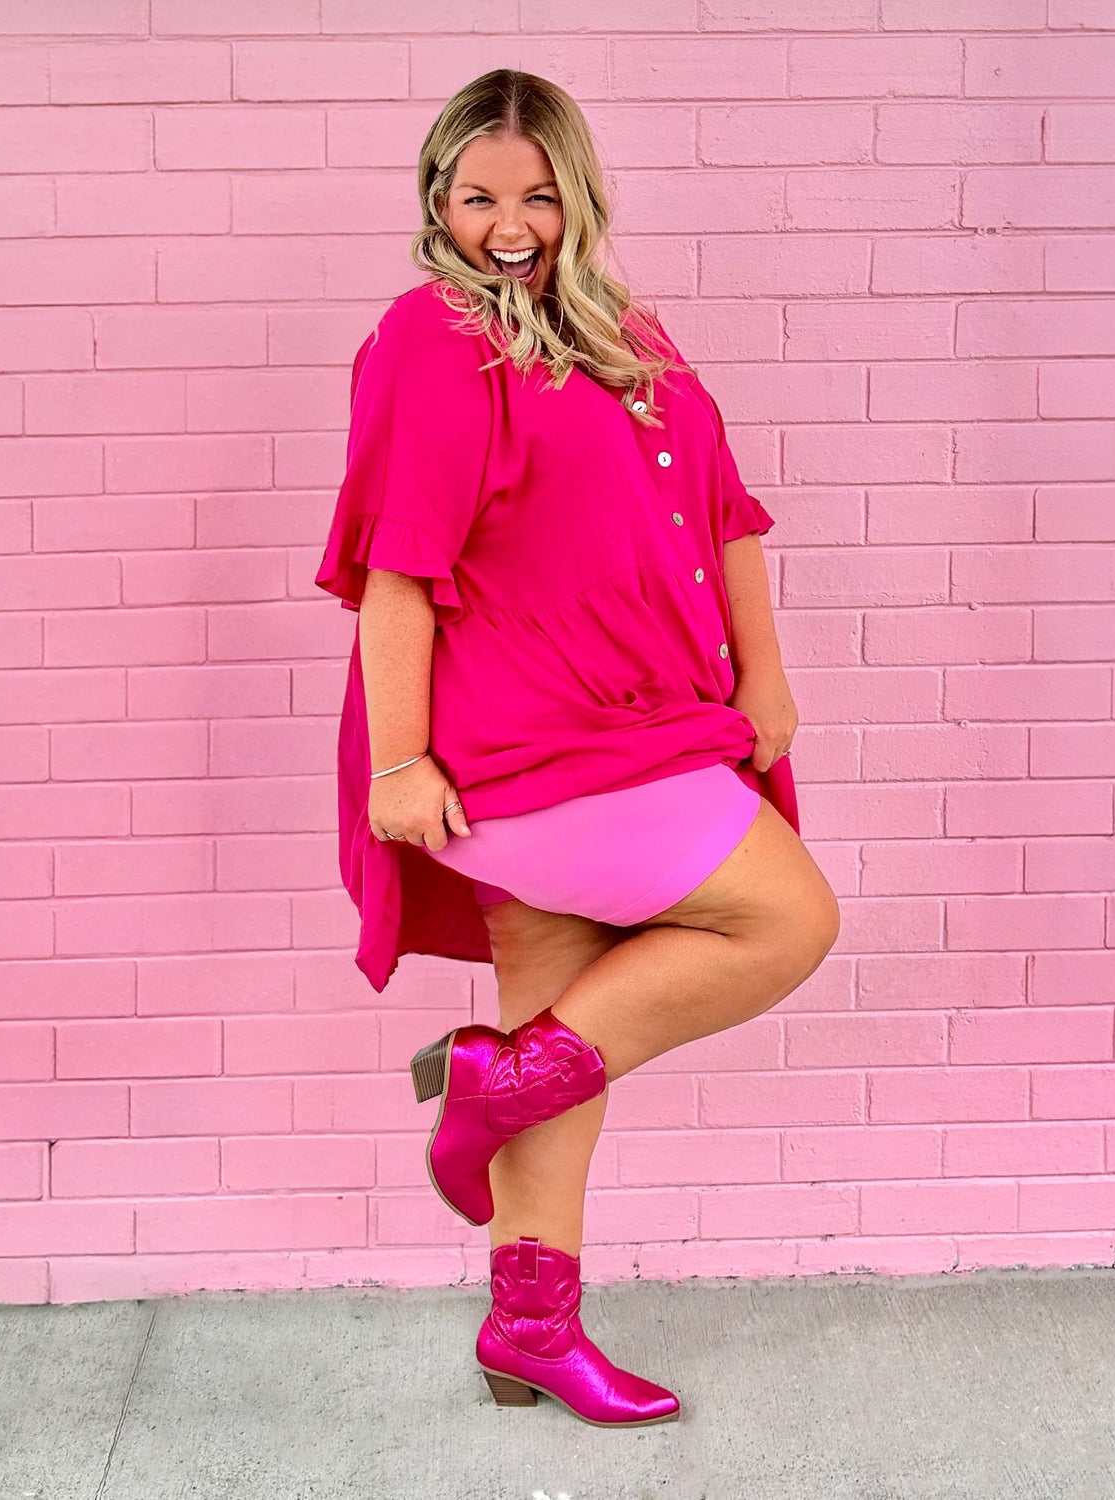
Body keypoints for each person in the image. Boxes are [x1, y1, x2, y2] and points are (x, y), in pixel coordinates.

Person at [315, 69, 840, 1428]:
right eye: (478, 197)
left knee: (566, 1017)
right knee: (788, 919)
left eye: (538, 197)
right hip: (527, 745)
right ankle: (490, 1082)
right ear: (437, 200)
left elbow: (726, 513)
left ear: (580, 198)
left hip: (642, 723)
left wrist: (767, 676)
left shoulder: (622, 331)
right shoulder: (435, 337)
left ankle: (530, 1328)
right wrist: (399, 762)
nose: (509, 227)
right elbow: (399, 566)